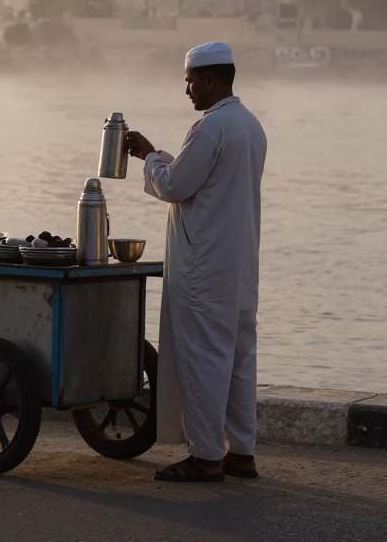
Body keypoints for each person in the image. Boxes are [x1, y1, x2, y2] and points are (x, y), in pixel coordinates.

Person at [125, 41, 267, 483]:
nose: (187, 90)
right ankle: (241, 453)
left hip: (205, 272)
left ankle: (206, 457)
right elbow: (204, 179)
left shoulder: (209, 128)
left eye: (190, 80)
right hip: (239, 268)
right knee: (239, 361)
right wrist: (160, 157)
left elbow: (176, 186)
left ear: (210, 79)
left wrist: (149, 156)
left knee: (204, 361)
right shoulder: (249, 125)